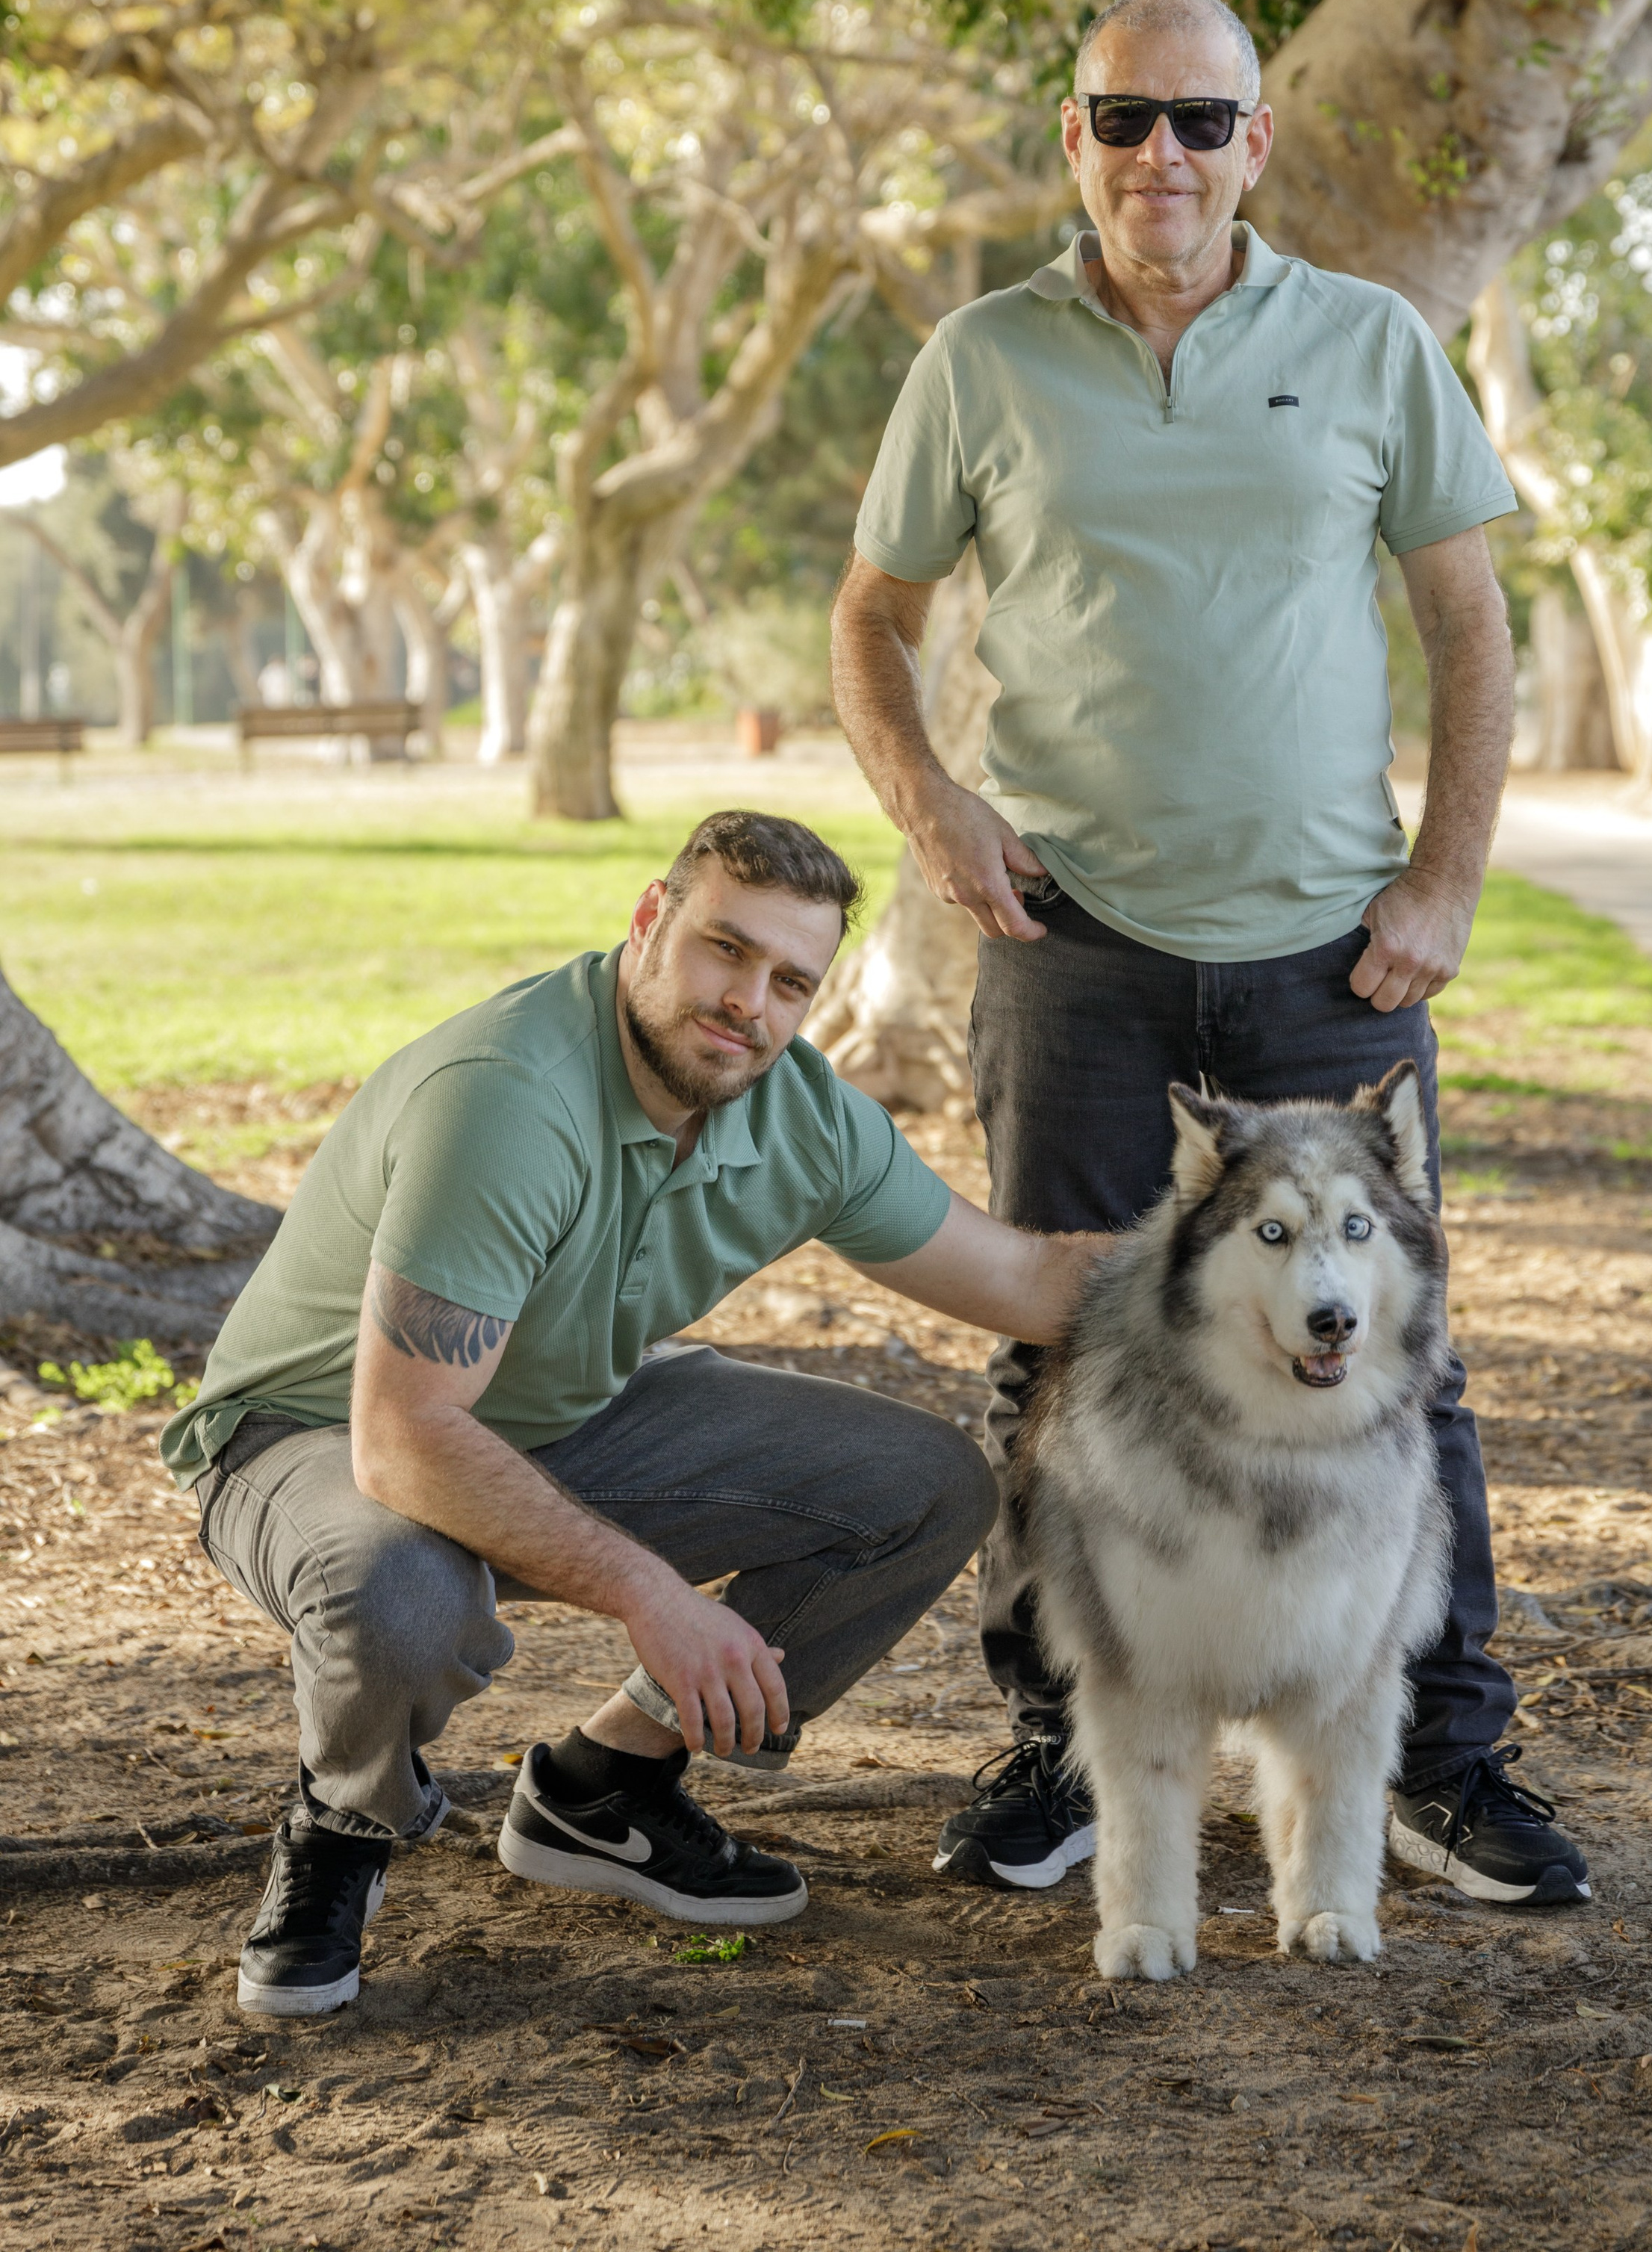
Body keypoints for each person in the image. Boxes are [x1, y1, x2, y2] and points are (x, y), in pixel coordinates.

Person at [832, 0, 1590, 1910]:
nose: (1158, 154)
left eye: (1198, 121)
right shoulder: (983, 361)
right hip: (1070, 947)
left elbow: (1472, 627)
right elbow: (871, 616)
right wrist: (930, 807)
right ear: (1072, 138)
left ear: (1256, 143)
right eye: (1122, 118)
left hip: (1330, 963)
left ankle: (1440, 1756)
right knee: (1060, 1356)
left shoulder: (1370, 343)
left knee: (1393, 1354)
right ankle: (1065, 1746)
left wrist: (1445, 880)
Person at [161, 810, 1100, 2018]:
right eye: (724, 949)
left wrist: (1265, 1266)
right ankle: (343, 1823)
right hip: (311, 1436)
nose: (747, 1003)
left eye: (789, 981)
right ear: (649, 923)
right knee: (403, 1593)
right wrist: (653, 1598)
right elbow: (401, 1438)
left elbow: (1026, 1282)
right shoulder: (507, 1099)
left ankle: (605, 1788)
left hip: (559, 1418)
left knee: (927, 1484)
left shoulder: (798, 1116)